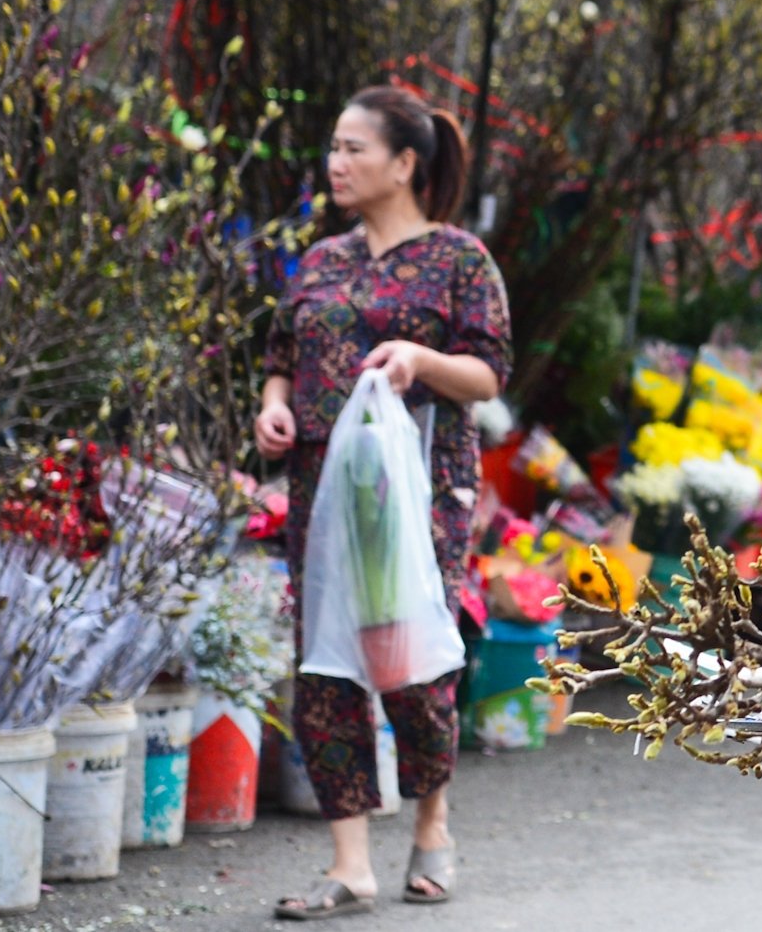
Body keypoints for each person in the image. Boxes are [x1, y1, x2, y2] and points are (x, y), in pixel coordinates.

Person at [256, 86, 511, 919]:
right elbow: (284, 352)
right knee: (325, 662)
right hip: (322, 487)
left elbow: (485, 374)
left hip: (421, 486)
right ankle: (351, 862)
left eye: (353, 147)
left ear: (405, 162)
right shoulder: (323, 258)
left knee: (408, 655)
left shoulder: (459, 260)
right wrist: (275, 404)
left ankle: (432, 819)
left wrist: (416, 355)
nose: (336, 162)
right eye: (333, 146)